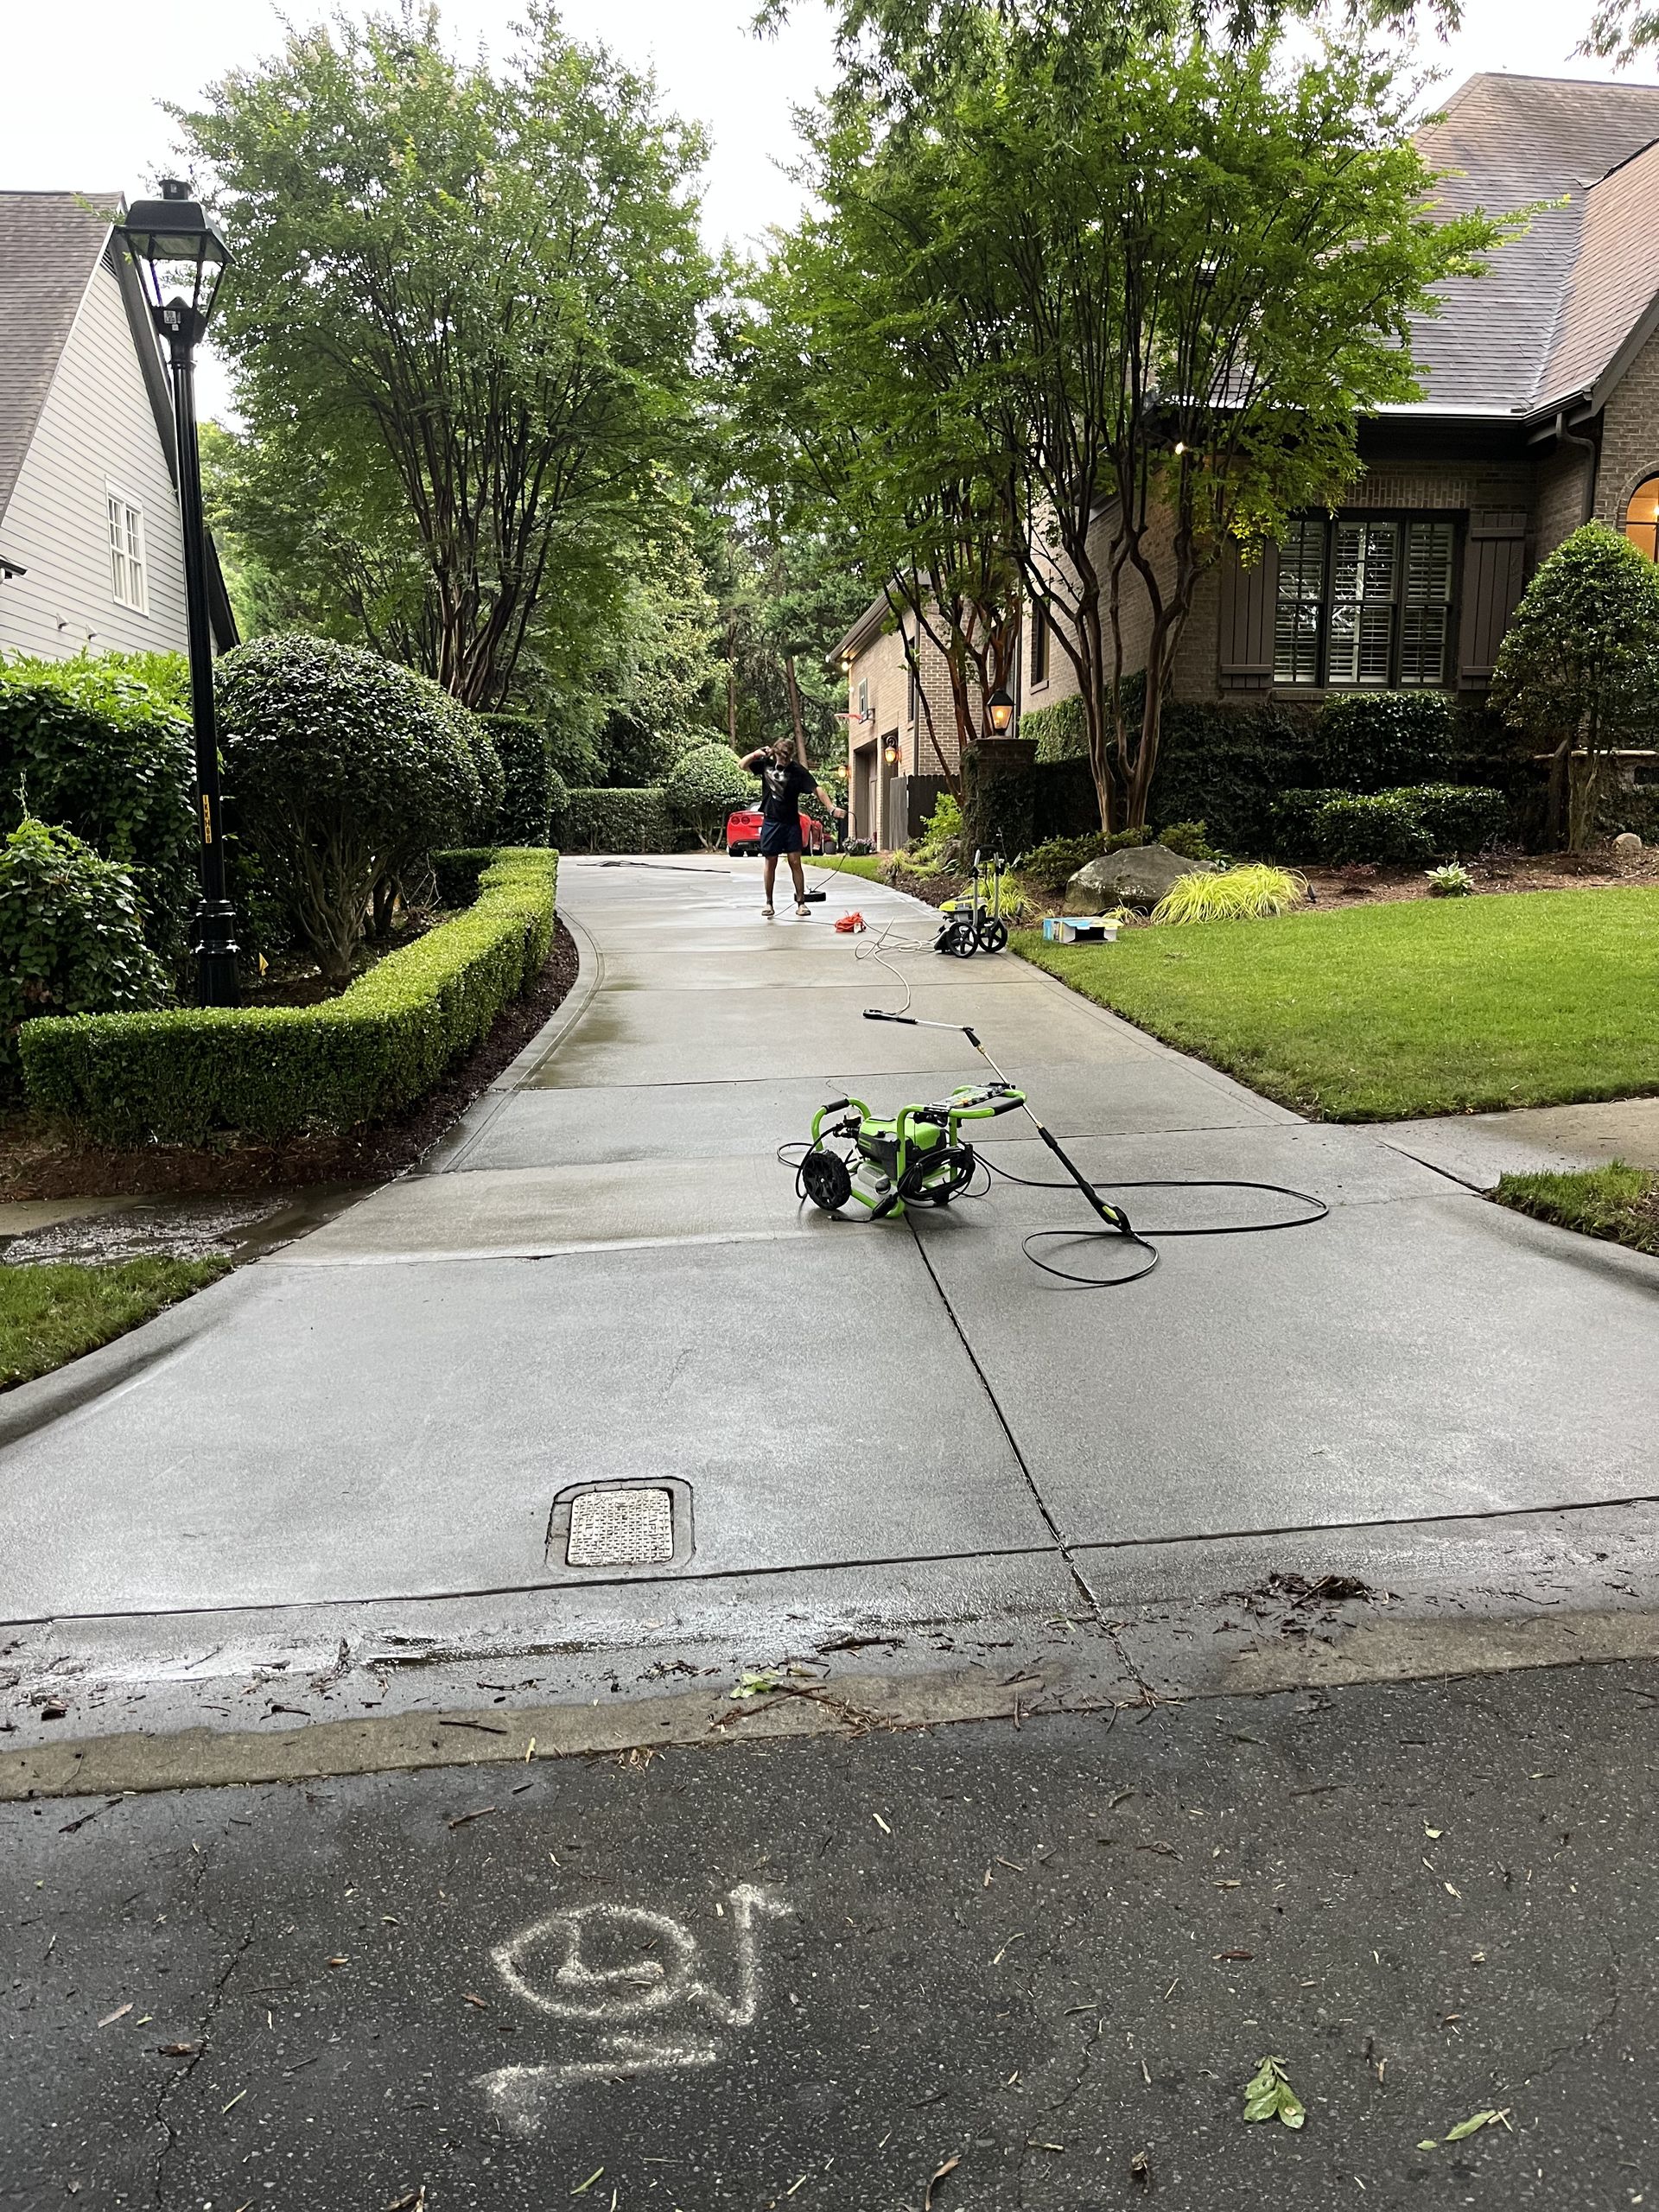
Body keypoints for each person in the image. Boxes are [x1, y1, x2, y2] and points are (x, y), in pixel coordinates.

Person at [737, 738, 842, 917]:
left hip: (791, 822)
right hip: (771, 822)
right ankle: (769, 903)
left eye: (786, 759)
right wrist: (756, 754)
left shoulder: (797, 771)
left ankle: (801, 904)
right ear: (775, 753)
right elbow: (742, 765)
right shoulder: (765, 765)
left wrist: (831, 808)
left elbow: (818, 789)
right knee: (771, 861)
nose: (783, 762)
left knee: (795, 862)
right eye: (780, 758)